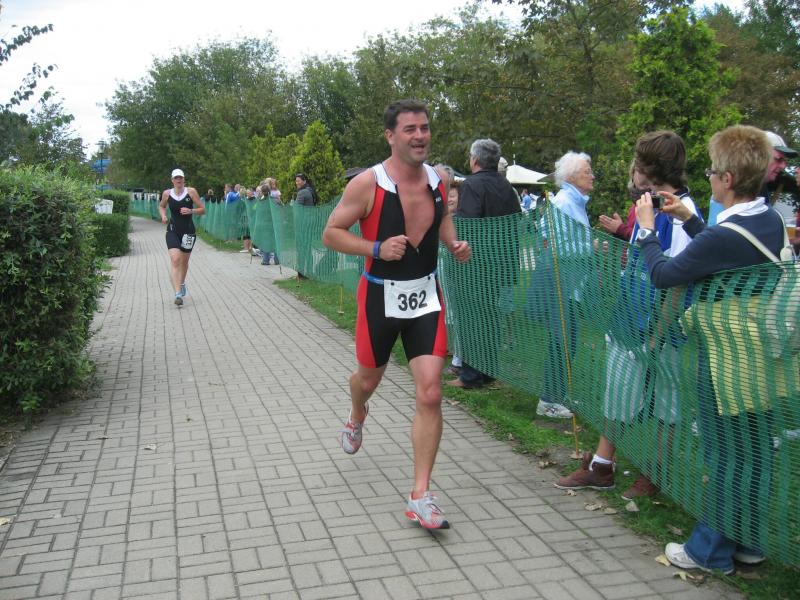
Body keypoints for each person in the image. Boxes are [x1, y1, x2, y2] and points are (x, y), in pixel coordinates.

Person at [634, 125, 785, 574]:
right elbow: (725, 254)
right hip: (761, 355)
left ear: (729, 180)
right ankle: (748, 542)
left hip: (727, 358)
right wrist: (689, 219)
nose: (710, 178)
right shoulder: (769, 220)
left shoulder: (727, 234)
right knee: (755, 451)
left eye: (713, 172)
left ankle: (709, 550)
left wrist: (648, 233)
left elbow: (665, 275)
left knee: (725, 453)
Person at [322, 99, 471, 530]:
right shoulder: (368, 184)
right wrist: (375, 247)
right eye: (410, 129)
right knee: (367, 380)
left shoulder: (439, 179)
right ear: (390, 136)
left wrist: (453, 244)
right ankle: (357, 412)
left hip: (426, 298)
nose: (420, 136)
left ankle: (421, 495)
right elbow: (331, 233)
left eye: (424, 127)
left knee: (430, 392)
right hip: (379, 298)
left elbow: (443, 221)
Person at [555, 130, 701, 499]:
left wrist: (656, 336)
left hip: (662, 331)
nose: (633, 170)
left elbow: (678, 282)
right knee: (618, 393)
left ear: (650, 168)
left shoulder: (682, 213)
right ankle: (602, 467)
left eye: (638, 163)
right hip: (629, 321)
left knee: (666, 402)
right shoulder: (646, 205)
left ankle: (655, 473)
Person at [446, 138, 521, 389]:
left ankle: (470, 375)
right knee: (490, 319)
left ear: (475, 159)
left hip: (475, 266)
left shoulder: (472, 185)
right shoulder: (507, 187)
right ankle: (488, 372)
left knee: (471, 319)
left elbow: (468, 225)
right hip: (501, 265)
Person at [534, 151, 594, 419]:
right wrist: (591, 248)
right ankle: (548, 400)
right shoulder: (564, 202)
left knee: (569, 339)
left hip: (571, 283)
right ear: (570, 177)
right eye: (587, 172)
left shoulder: (574, 202)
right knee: (562, 340)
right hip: (560, 283)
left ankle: (559, 393)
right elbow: (554, 246)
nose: (592, 176)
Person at [159, 169, 204, 306]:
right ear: (172, 180)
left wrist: (191, 210)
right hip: (172, 230)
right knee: (175, 260)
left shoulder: (191, 192)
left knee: (184, 262)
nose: (178, 180)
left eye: (180, 178)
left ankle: (182, 282)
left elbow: (203, 209)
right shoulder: (167, 193)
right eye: (176, 178)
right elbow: (161, 206)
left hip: (188, 232)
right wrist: (163, 216)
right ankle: (178, 294)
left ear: (184, 179)